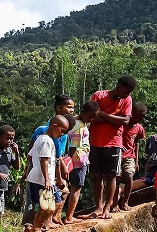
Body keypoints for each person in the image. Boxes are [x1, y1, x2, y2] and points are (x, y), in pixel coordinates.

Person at [88, 75, 136, 220]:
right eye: (126, 91)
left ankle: (107, 207)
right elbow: (91, 115)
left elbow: (125, 121)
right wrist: (114, 119)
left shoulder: (127, 100)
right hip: (95, 141)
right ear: (119, 87)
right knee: (96, 176)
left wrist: (101, 113)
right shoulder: (99, 95)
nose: (127, 95)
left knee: (111, 176)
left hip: (114, 142)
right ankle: (98, 206)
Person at [24, 116, 67, 232]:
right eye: (62, 131)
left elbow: (29, 156)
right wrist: (48, 179)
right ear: (54, 126)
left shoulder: (40, 138)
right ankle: (37, 229)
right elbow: (44, 160)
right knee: (50, 207)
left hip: (36, 177)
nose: (62, 134)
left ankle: (35, 228)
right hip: (42, 179)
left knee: (44, 206)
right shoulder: (47, 141)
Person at [62, 101, 99, 222]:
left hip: (77, 161)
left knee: (68, 188)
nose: (92, 119)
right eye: (90, 116)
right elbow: (73, 148)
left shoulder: (77, 122)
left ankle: (63, 216)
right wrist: (75, 164)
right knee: (76, 188)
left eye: (94, 117)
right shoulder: (79, 126)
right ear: (83, 112)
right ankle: (69, 217)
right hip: (78, 161)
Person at [118, 102, 148, 211]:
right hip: (118, 155)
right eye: (136, 117)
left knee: (129, 176)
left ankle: (125, 201)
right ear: (131, 113)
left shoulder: (139, 128)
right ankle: (114, 203)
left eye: (141, 118)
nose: (138, 120)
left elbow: (136, 143)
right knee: (116, 178)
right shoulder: (122, 123)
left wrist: (136, 161)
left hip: (130, 156)